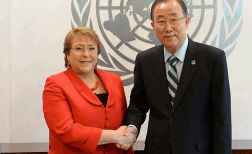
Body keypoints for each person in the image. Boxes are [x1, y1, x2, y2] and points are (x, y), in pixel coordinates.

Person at [121, 0, 232, 153]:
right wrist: (132, 127)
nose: (168, 28)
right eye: (161, 21)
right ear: (153, 26)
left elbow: (222, 115)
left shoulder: (212, 58)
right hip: (157, 149)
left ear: (186, 21)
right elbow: (138, 104)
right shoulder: (144, 60)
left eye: (174, 19)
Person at [43, 26, 135, 154]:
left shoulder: (115, 80)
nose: (86, 54)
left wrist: (128, 134)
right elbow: (66, 131)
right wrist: (115, 136)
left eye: (92, 48)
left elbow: (123, 121)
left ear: (97, 53)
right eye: (79, 48)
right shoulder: (55, 84)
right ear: (67, 55)